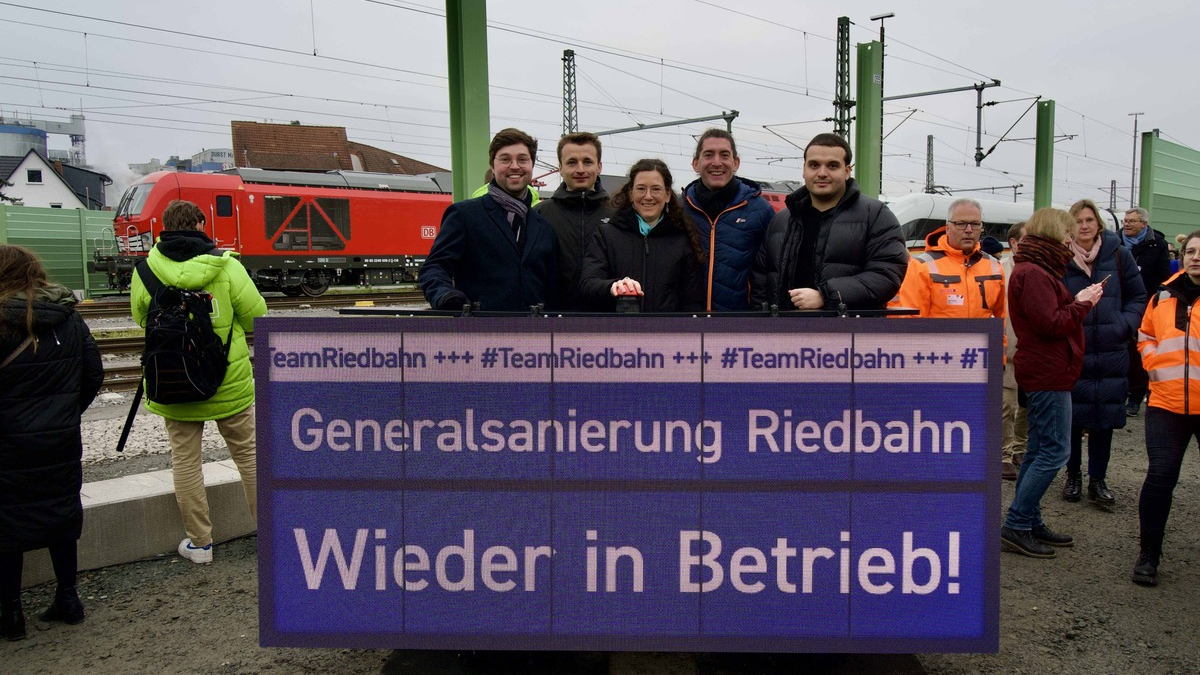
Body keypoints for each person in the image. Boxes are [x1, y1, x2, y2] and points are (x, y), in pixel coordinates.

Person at [131, 200, 266, 565]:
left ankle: (201, 544)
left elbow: (141, 318)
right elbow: (257, 319)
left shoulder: (145, 270)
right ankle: (270, 537)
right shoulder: (227, 266)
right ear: (201, 224)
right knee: (249, 455)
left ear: (164, 227)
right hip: (228, 384)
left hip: (174, 384)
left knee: (186, 460)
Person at [0, 245, 103, 640]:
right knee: (62, 515)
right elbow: (93, 373)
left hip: (8, 444)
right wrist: (64, 415)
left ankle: (11, 616)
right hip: (60, 439)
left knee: (7, 524)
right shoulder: (68, 317)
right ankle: (69, 599)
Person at [1001, 208, 1103, 559]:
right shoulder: (1035, 272)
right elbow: (1051, 324)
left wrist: (1076, 302)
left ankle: (1028, 520)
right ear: (1054, 232)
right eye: (1068, 232)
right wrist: (1082, 304)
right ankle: (1016, 523)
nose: (1071, 238)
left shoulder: (1032, 268)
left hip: (1045, 369)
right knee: (1055, 450)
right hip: (1048, 371)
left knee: (1037, 448)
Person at [894, 198, 1008, 477]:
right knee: (933, 436)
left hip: (977, 369)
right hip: (934, 371)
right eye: (961, 224)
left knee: (971, 438)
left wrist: (999, 360)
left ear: (982, 228)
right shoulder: (922, 265)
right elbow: (906, 319)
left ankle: (963, 485)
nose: (968, 229)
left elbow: (1001, 320)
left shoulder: (995, 267)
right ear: (948, 226)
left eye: (975, 224)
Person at [751, 132, 908, 311]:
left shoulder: (877, 216)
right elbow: (761, 280)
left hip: (850, 333)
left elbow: (887, 275)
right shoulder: (781, 221)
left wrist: (826, 295)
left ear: (847, 171)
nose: (822, 173)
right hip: (785, 333)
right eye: (814, 165)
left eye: (832, 166)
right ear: (804, 170)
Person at [1061, 200, 1146, 508]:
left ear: (1098, 223)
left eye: (1089, 220)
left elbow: (1139, 296)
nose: (1084, 226)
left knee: (1104, 419)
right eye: (1078, 221)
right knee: (1072, 418)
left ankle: (1098, 480)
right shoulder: (1062, 258)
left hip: (1111, 349)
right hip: (1075, 349)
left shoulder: (1119, 255)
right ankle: (1073, 476)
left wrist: (1123, 324)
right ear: (1070, 226)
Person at [420, 128, 558, 311]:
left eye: (522, 159)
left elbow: (553, 286)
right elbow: (434, 267)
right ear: (492, 166)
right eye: (505, 159)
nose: (515, 166)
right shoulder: (464, 215)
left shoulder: (543, 227)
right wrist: (445, 296)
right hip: (480, 332)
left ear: (531, 164)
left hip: (533, 333)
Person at [1133, 229, 1200, 585]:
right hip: (1166, 403)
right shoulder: (1161, 296)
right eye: (1190, 251)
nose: (1195, 257)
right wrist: (1153, 365)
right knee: (1161, 477)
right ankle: (1148, 555)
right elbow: (1145, 336)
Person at [579, 159, 705, 312]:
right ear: (631, 194)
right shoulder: (606, 235)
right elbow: (588, 284)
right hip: (618, 333)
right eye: (641, 189)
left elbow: (692, 302)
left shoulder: (681, 241)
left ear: (667, 195)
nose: (648, 196)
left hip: (665, 334)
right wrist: (613, 286)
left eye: (656, 189)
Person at [681, 129, 774, 311]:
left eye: (724, 155)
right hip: (687, 322)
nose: (717, 163)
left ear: (735, 162)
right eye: (708, 155)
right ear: (696, 164)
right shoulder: (680, 209)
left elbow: (770, 270)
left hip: (740, 324)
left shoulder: (760, 210)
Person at [533, 132, 614, 311]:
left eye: (587, 161)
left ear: (599, 166)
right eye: (571, 162)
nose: (580, 169)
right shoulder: (540, 215)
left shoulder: (618, 214)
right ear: (560, 168)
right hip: (554, 319)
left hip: (607, 320)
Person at [1119, 207, 1171, 417]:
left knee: (1138, 351)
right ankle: (1117, 394)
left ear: (1144, 224)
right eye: (1125, 220)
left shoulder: (1157, 245)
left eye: (1132, 221)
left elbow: (1163, 277)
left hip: (1144, 305)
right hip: (1117, 304)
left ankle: (1136, 397)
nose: (1127, 224)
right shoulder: (1115, 243)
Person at [1001, 221, 1029, 481]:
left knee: (1026, 406)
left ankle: (1020, 447)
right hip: (1008, 346)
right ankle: (1004, 455)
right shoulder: (1001, 270)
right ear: (1014, 243)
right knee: (1007, 406)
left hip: (1030, 348)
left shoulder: (1037, 270)